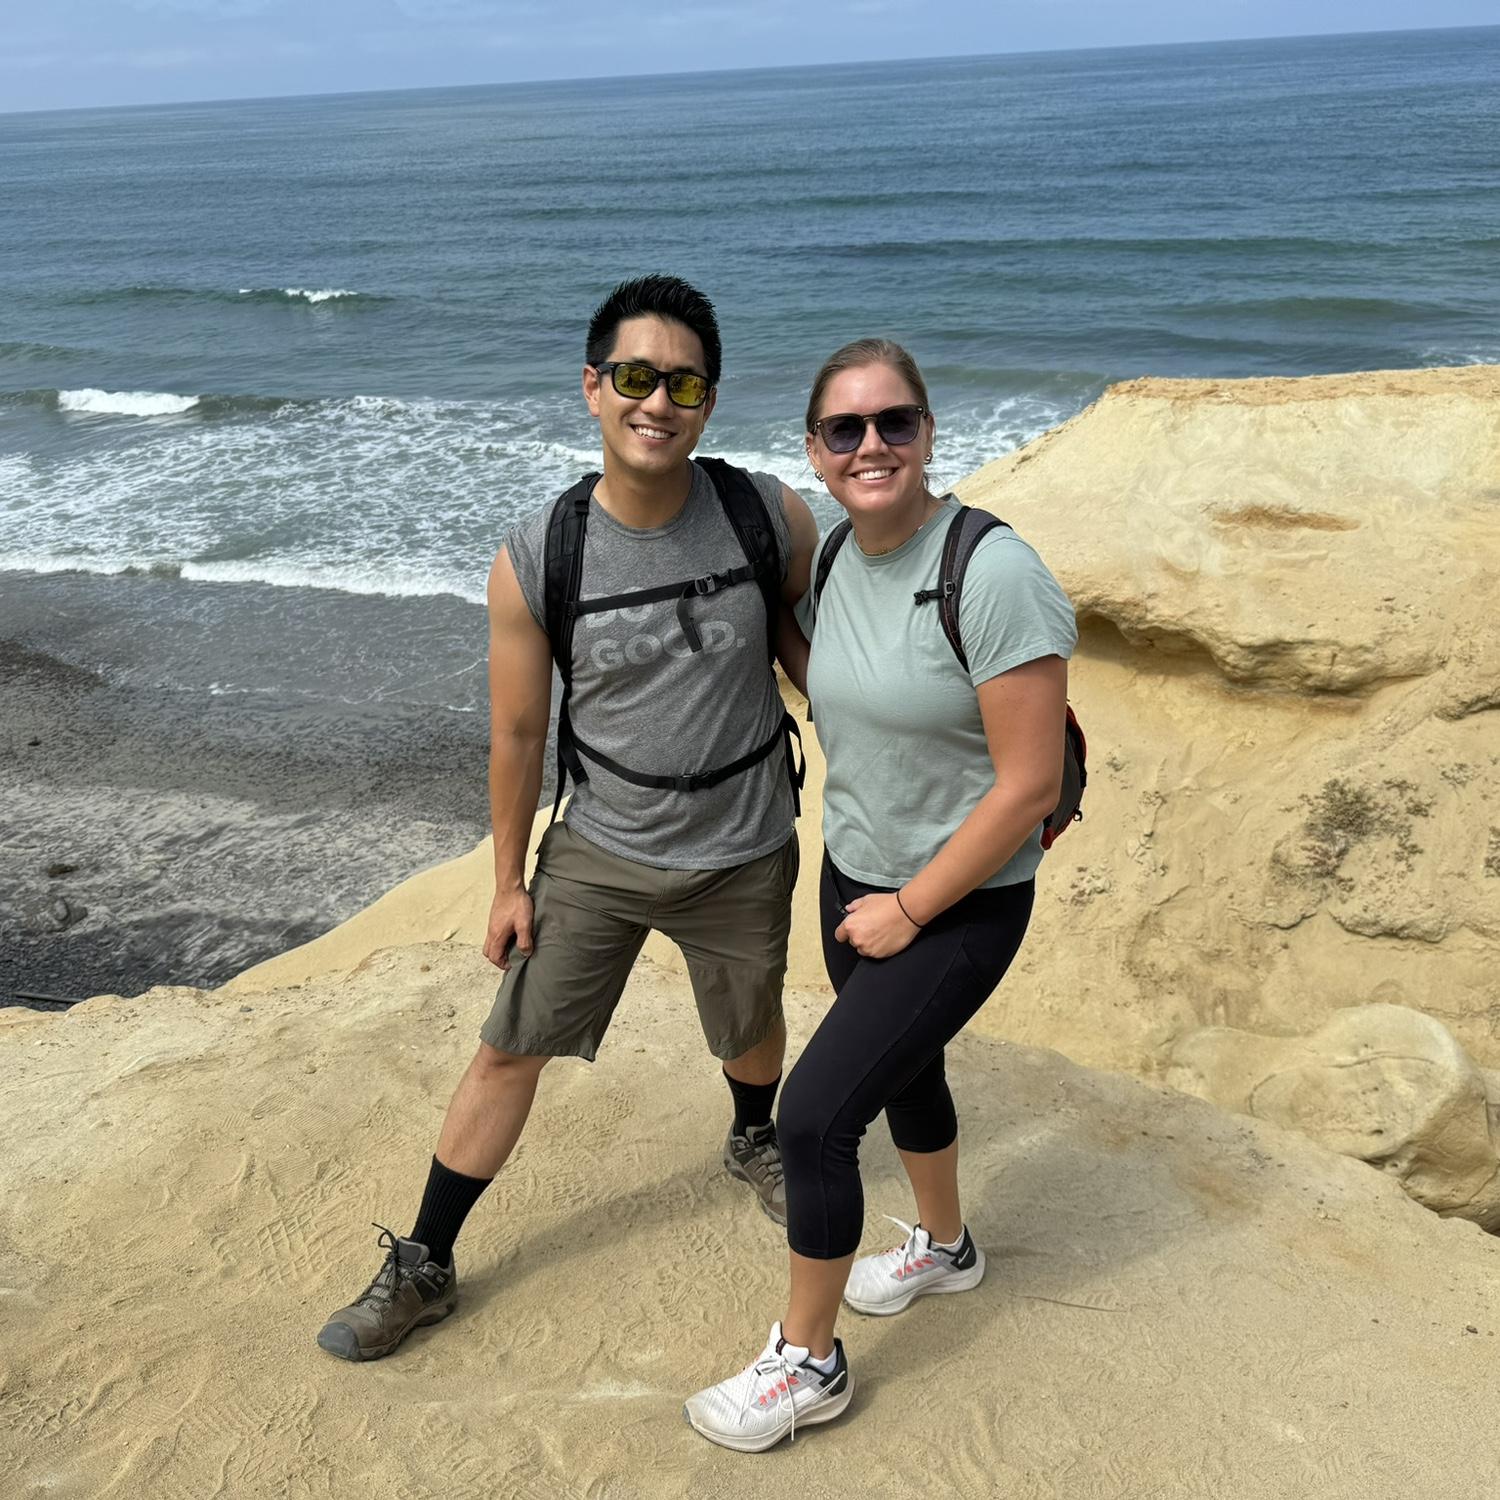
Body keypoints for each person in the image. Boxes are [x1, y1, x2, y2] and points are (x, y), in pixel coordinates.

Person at [317, 275, 819, 1362]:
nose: (659, 402)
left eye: (684, 383)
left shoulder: (767, 514)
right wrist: (506, 882)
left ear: (710, 401)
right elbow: (515, 736)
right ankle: (427, 1262)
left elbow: (812, 645)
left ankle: (752, 1139)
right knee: (509, 1048)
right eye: (635, 377)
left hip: (745, 842)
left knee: (752, 1021)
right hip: (602, 848)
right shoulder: (542, 554)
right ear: (592, 388)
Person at [684, 338, 1077, 1450]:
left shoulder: (993, 571)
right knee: (909, 1068)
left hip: (958, 899)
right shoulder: (845, 560)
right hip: (852, 871)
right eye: (845, 430)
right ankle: (947, 1249)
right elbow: (837, 678)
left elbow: (1029, 783)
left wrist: (911, 909)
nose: (872, 446)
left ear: (928, 432)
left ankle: (811, 1364)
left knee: (811, 1120)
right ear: (815, 451)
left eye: (893, 422)